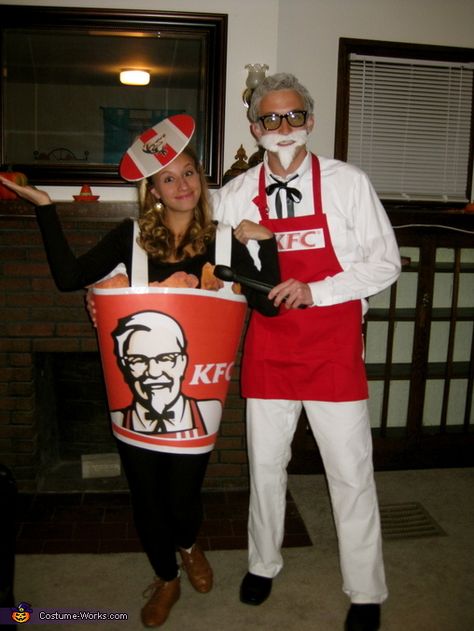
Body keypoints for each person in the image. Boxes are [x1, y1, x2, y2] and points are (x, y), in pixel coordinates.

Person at [0, 138, 280, 629]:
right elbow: (69, 277)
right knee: (145, 493)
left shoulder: (223, 239)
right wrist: (46, 208)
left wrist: (267, 245)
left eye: (189, 173)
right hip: (131, 396)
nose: (182, 185)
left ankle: (189, 543)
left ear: (201, 179)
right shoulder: (130, 237)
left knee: (183, 496)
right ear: (153, 190)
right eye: (168, 178)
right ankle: (166, 576)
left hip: (198, 396)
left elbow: (269, 303)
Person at [212, 73, 401, 631]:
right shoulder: (238, 191)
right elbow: (181, 221)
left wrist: (316, 290)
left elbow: (385, 263)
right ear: (256, 128)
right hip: (269, 347)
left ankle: (366, 592)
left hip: (332, 344)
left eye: (294, 116)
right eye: (271, 119)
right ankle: (262, 564)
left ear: (310, 121)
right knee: (266, 466)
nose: (284, 127)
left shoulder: (349, 183)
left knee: (350, 472)